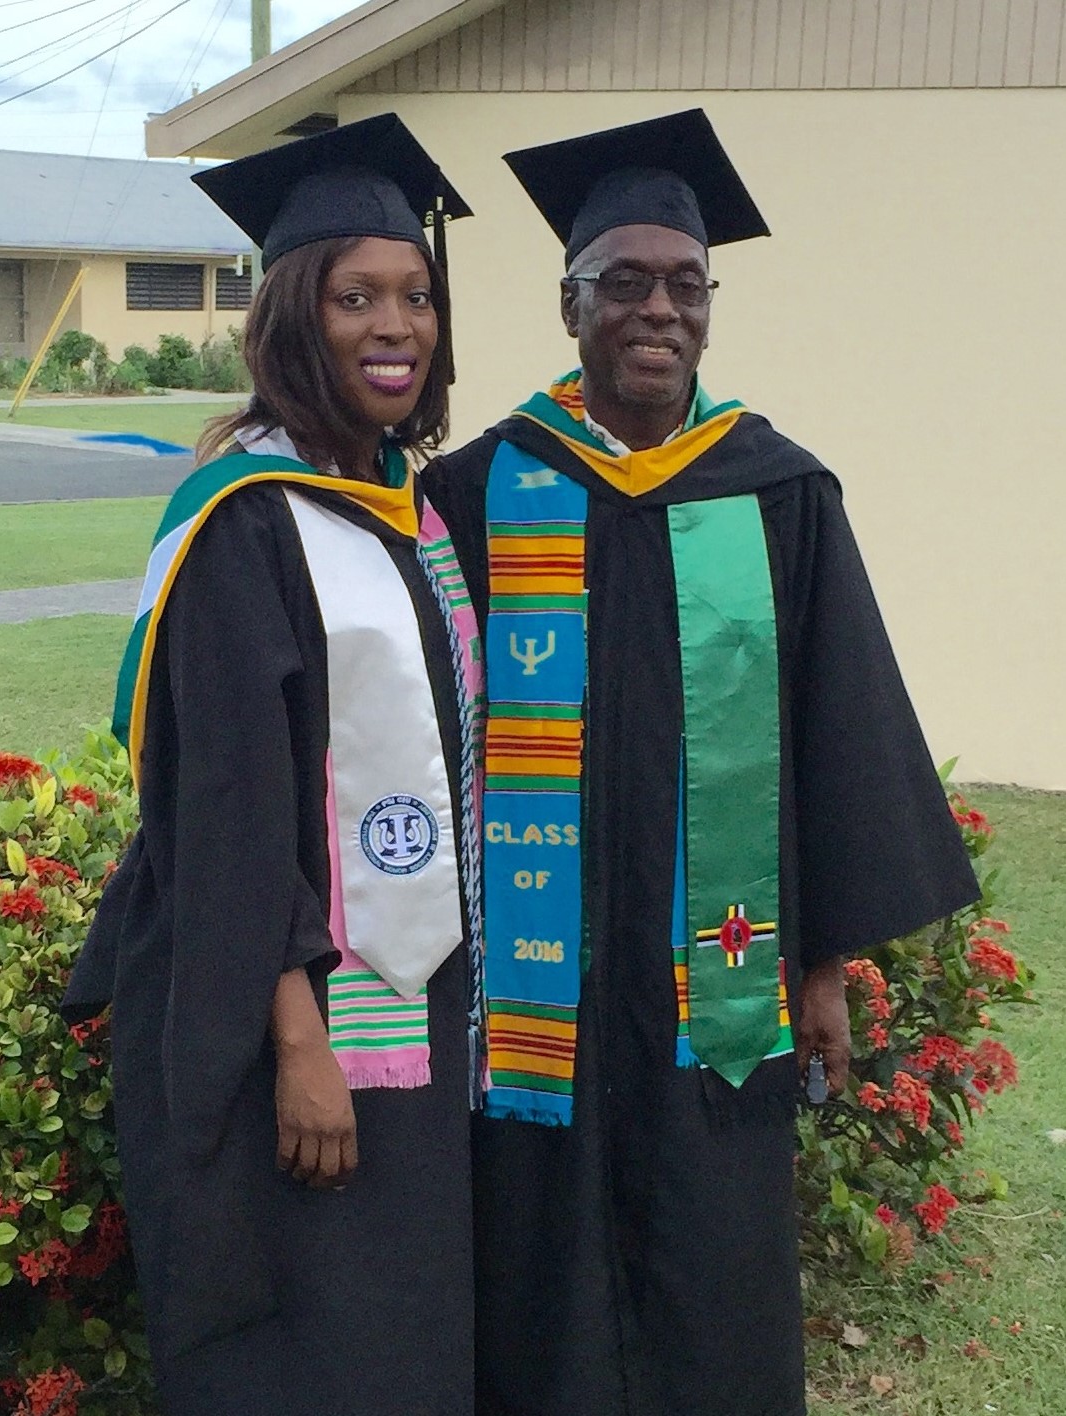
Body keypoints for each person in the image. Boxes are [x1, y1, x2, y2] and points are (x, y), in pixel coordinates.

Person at [423, 108, 980, 1416]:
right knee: (536, 1261)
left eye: (686, 285)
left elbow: (835, 737)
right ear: (571, 307)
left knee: (710, 1250)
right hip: (535, 987)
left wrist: (824, 966)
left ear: (710, 308)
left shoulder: (776, 491)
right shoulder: (475, 492)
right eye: (625, 282)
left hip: (707, 980)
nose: (659, 309)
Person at [63, 113, 484, 1416]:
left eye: (415, 295)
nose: (395, 325)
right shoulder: (244, 524)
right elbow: (227, 810)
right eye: (357, 296)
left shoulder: (406, 509)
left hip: (412, 1015)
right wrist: (301, 1038)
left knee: (401, 1331)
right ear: (295, 316)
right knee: (317, 1349)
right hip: (285, 1026)